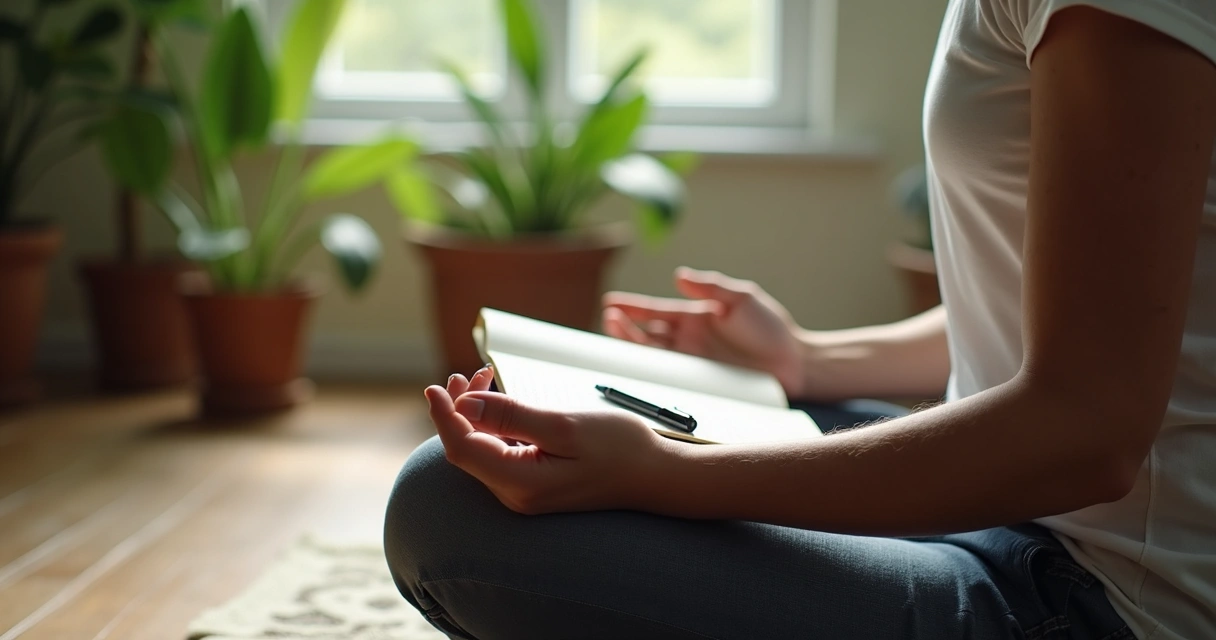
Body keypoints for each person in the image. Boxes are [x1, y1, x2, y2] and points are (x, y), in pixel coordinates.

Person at [383, 0, 1216, 637]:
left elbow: (1088, 432)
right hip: (1005, 501)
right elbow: (1070, 303)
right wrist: (812, 362)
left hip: (1090, 592)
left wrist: (658, 475)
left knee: (448, 504)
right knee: (610, 429)